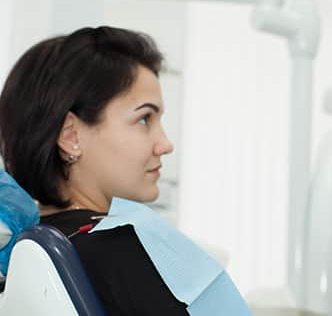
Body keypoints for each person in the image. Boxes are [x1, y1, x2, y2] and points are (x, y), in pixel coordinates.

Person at [0, 27, 196, 314]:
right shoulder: (122, 247)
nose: (165, 144)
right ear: (71, 136)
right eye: (144, 119)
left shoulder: (24, 248)